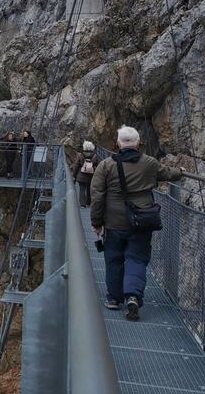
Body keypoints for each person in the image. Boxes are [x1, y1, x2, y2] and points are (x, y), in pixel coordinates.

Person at [91, 126, 183, 321]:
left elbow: (97, 196)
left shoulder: (106, 165)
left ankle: (114, 298)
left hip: (114, 221)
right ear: (138, 142)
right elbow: (167, 173)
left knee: (114, 259)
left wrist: (96, 222)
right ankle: (132, 295)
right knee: (137, 258)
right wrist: (180, 171)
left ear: (118, 144)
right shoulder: (149, 163)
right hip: (141, 220)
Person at [72, 140, 98, 207]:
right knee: (89, 189)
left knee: (82, 189)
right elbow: (98, 166)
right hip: (91, 175)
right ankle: (88, 203)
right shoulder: (95, 155)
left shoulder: (81, 155)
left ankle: (82, 204)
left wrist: (74, 175)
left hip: (81, 175)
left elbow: (76, 166)